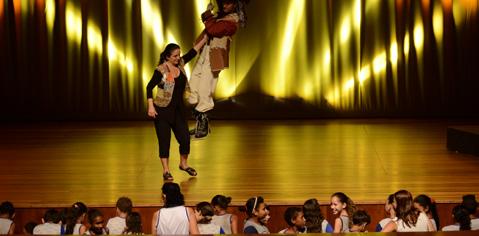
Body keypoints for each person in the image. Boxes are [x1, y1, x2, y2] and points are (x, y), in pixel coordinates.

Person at [146, 36, 208, 181]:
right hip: (162, 111)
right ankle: (166, 171)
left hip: (179, 111)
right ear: (167, 56)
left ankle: (183, 164)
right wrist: (150, 106)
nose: (177, 58)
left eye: (179, 55)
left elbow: (193, 52)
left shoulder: (180, 64)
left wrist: (205, 37)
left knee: (185, 139)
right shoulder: (161, 70)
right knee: (164, 141)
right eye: (174, 56)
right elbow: (149, 87)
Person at [188, 0, 249, 138]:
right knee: (193, 86)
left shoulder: (233, 21)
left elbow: (213, 30)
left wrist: (208, 15)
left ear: (235, 5)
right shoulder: (219, 17)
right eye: (224, 3)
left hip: (215, 55)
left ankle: (203, 125)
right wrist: (209, 13)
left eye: (229, 3)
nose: (225, 6)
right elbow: (208, 30)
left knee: (205, 87)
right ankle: (200, 123)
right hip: (206, 52)